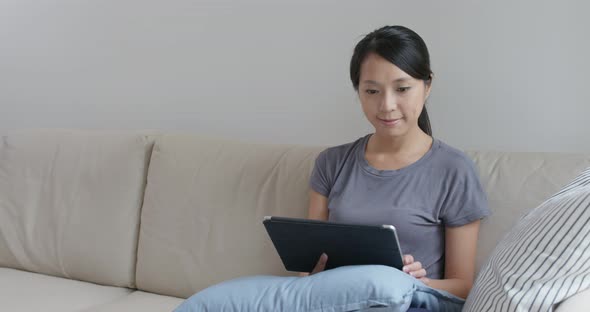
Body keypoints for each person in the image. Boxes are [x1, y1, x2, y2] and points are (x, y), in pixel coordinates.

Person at [300, 25, 490, 302]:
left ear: (427, 86)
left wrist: (416, 282)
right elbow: (307, 267)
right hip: (336, 301)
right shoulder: (331, 163)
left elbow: (463, 286)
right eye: (372, 91)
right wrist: (313, 271)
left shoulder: (454, 170)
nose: (387, 105)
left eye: (402, 89)